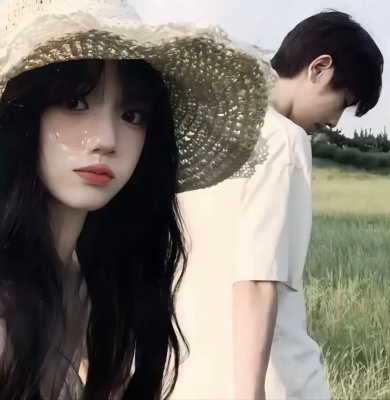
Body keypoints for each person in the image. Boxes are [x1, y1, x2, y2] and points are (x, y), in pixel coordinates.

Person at [0, 0, 271, 398]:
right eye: (74, 103)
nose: (106, 140)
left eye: (132, 115)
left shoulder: (88, 277)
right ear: (20, 112)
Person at [173, 10, 384, 400]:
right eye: (342, 101)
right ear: (319, 68)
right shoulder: (284, 139)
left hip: (188, 376)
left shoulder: (201, 139)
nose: (336, 121)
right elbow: (256, 279)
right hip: (272, 379)